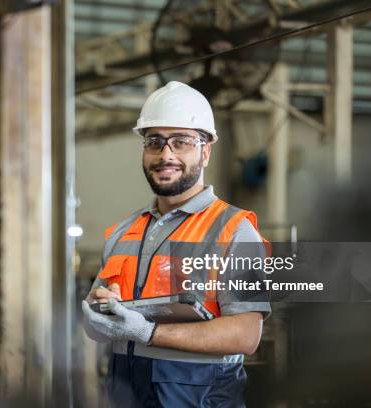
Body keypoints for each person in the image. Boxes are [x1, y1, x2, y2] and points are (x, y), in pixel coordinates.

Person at [82, 81, 271, 408]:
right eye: (154, 142)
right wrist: (97, 313)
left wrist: (147, 333)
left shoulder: (234, 232)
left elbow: (246, 334)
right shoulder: (123, 232)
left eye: (181, 142)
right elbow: (105, 319)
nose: (165, 154)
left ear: (206, 150)